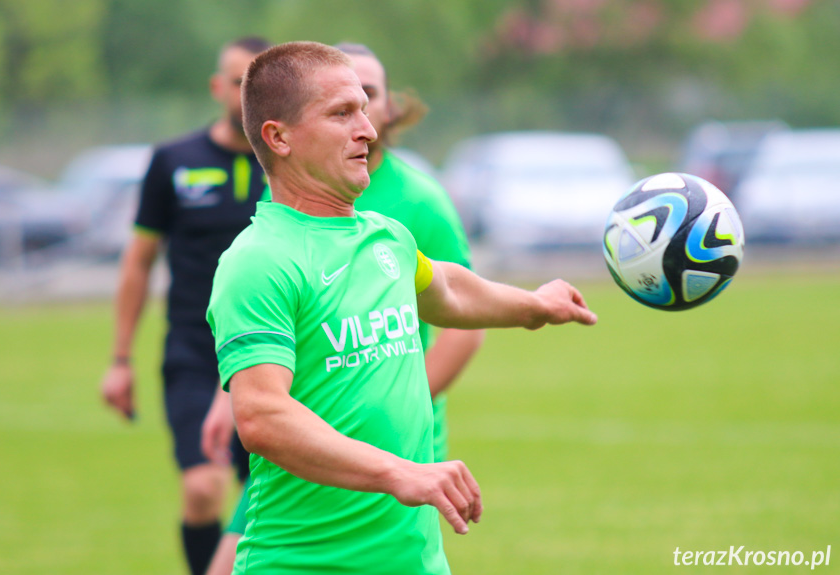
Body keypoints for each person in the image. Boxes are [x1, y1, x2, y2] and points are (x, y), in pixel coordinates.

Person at [207, 41, 596, 574]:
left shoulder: (384, 237)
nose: (366, 129)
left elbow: (451, 290)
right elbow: (262, 416)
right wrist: (399, 473)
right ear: (279, 137)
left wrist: (535, 305)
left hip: (415, 562)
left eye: (364, 110)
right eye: (342, 113)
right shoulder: (259, 260)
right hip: (305, 564)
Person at [99, 36, 271, 575]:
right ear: (217, 87)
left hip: (271, 351)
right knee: (202, 489)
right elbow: (139, 261)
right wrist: (120, 359)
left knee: (269, 500)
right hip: (196, 353)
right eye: (238, 80)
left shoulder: (290, 165)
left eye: (258, 83)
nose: (246, 92)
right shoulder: (174, 161)